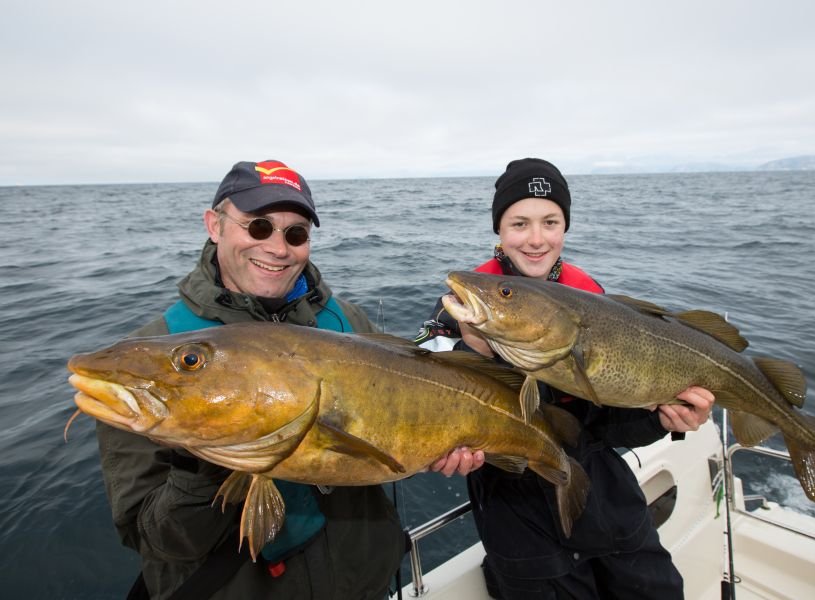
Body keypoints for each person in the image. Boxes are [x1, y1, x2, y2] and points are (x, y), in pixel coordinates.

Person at [95, 159, 413, 600]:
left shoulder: (346, 321)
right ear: (214, 225)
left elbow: (401, 435)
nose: (278, 248)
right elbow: (157, 541)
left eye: (295, 233)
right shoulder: (148, 362)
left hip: (363, 581)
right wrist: (202, 459)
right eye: (258, 226)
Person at [415, 158, 715, 600]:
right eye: (519, 223)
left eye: (550, 222)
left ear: (565, 227)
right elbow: (421, 409)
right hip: (516, 511)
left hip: (605, 496)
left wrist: (661, 419)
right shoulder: (459, 309)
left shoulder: (591, 300)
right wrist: (472, 353)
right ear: (499, 229)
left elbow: (607, 424)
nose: (536, 239)